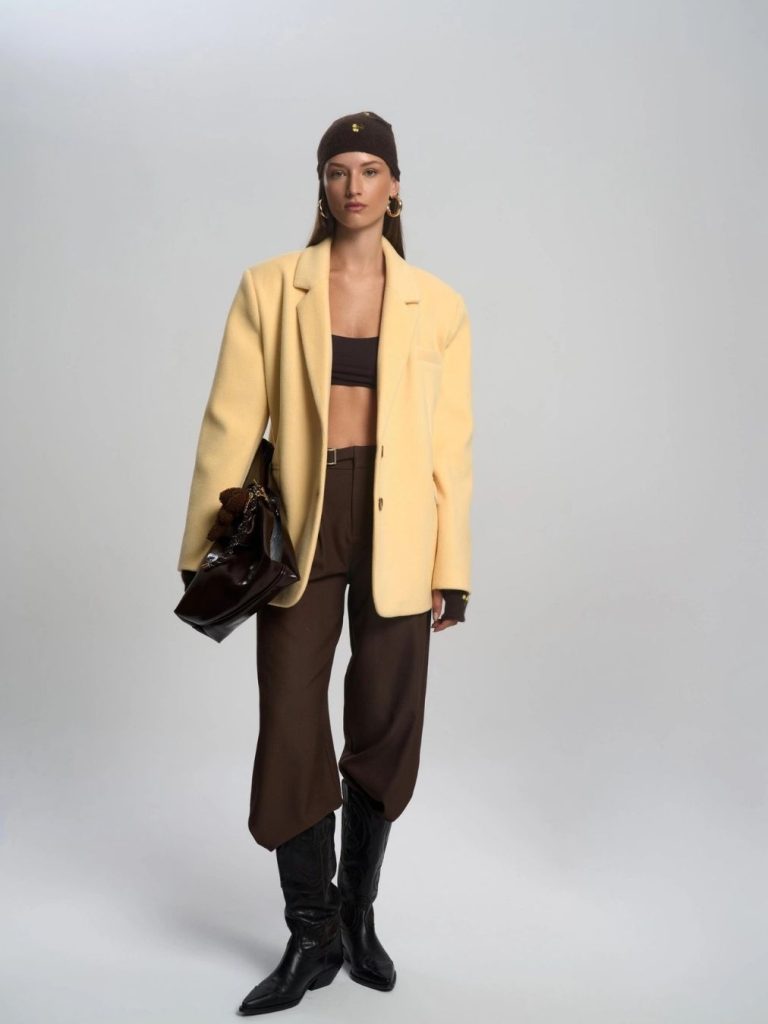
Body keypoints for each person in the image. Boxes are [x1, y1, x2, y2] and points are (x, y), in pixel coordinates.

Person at [176, 110, 473, 1015]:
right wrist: (202, 546)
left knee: (385, 724)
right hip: (300, 526)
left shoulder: (438, 304)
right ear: (322, 184)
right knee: (291, 720)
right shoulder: (271, 287)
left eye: (371, 169)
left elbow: (451, 450)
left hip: (401, 528)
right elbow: (231, 422)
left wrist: (452, 564)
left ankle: (355, 916)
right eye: (339, 170)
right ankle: (310, 933)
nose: (354, 186)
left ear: (395, 187)